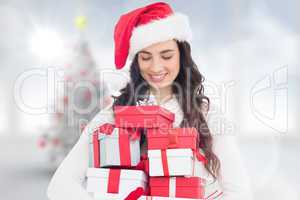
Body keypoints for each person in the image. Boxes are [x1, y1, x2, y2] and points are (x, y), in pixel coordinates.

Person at [47, 2, 252, 200]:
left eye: (166, 56)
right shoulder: (114, 115)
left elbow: (239, 192)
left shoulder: (206, 115)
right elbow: (60, 185)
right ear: (136, 62)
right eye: (146, 57)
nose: (156, 67)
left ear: (182, 55)